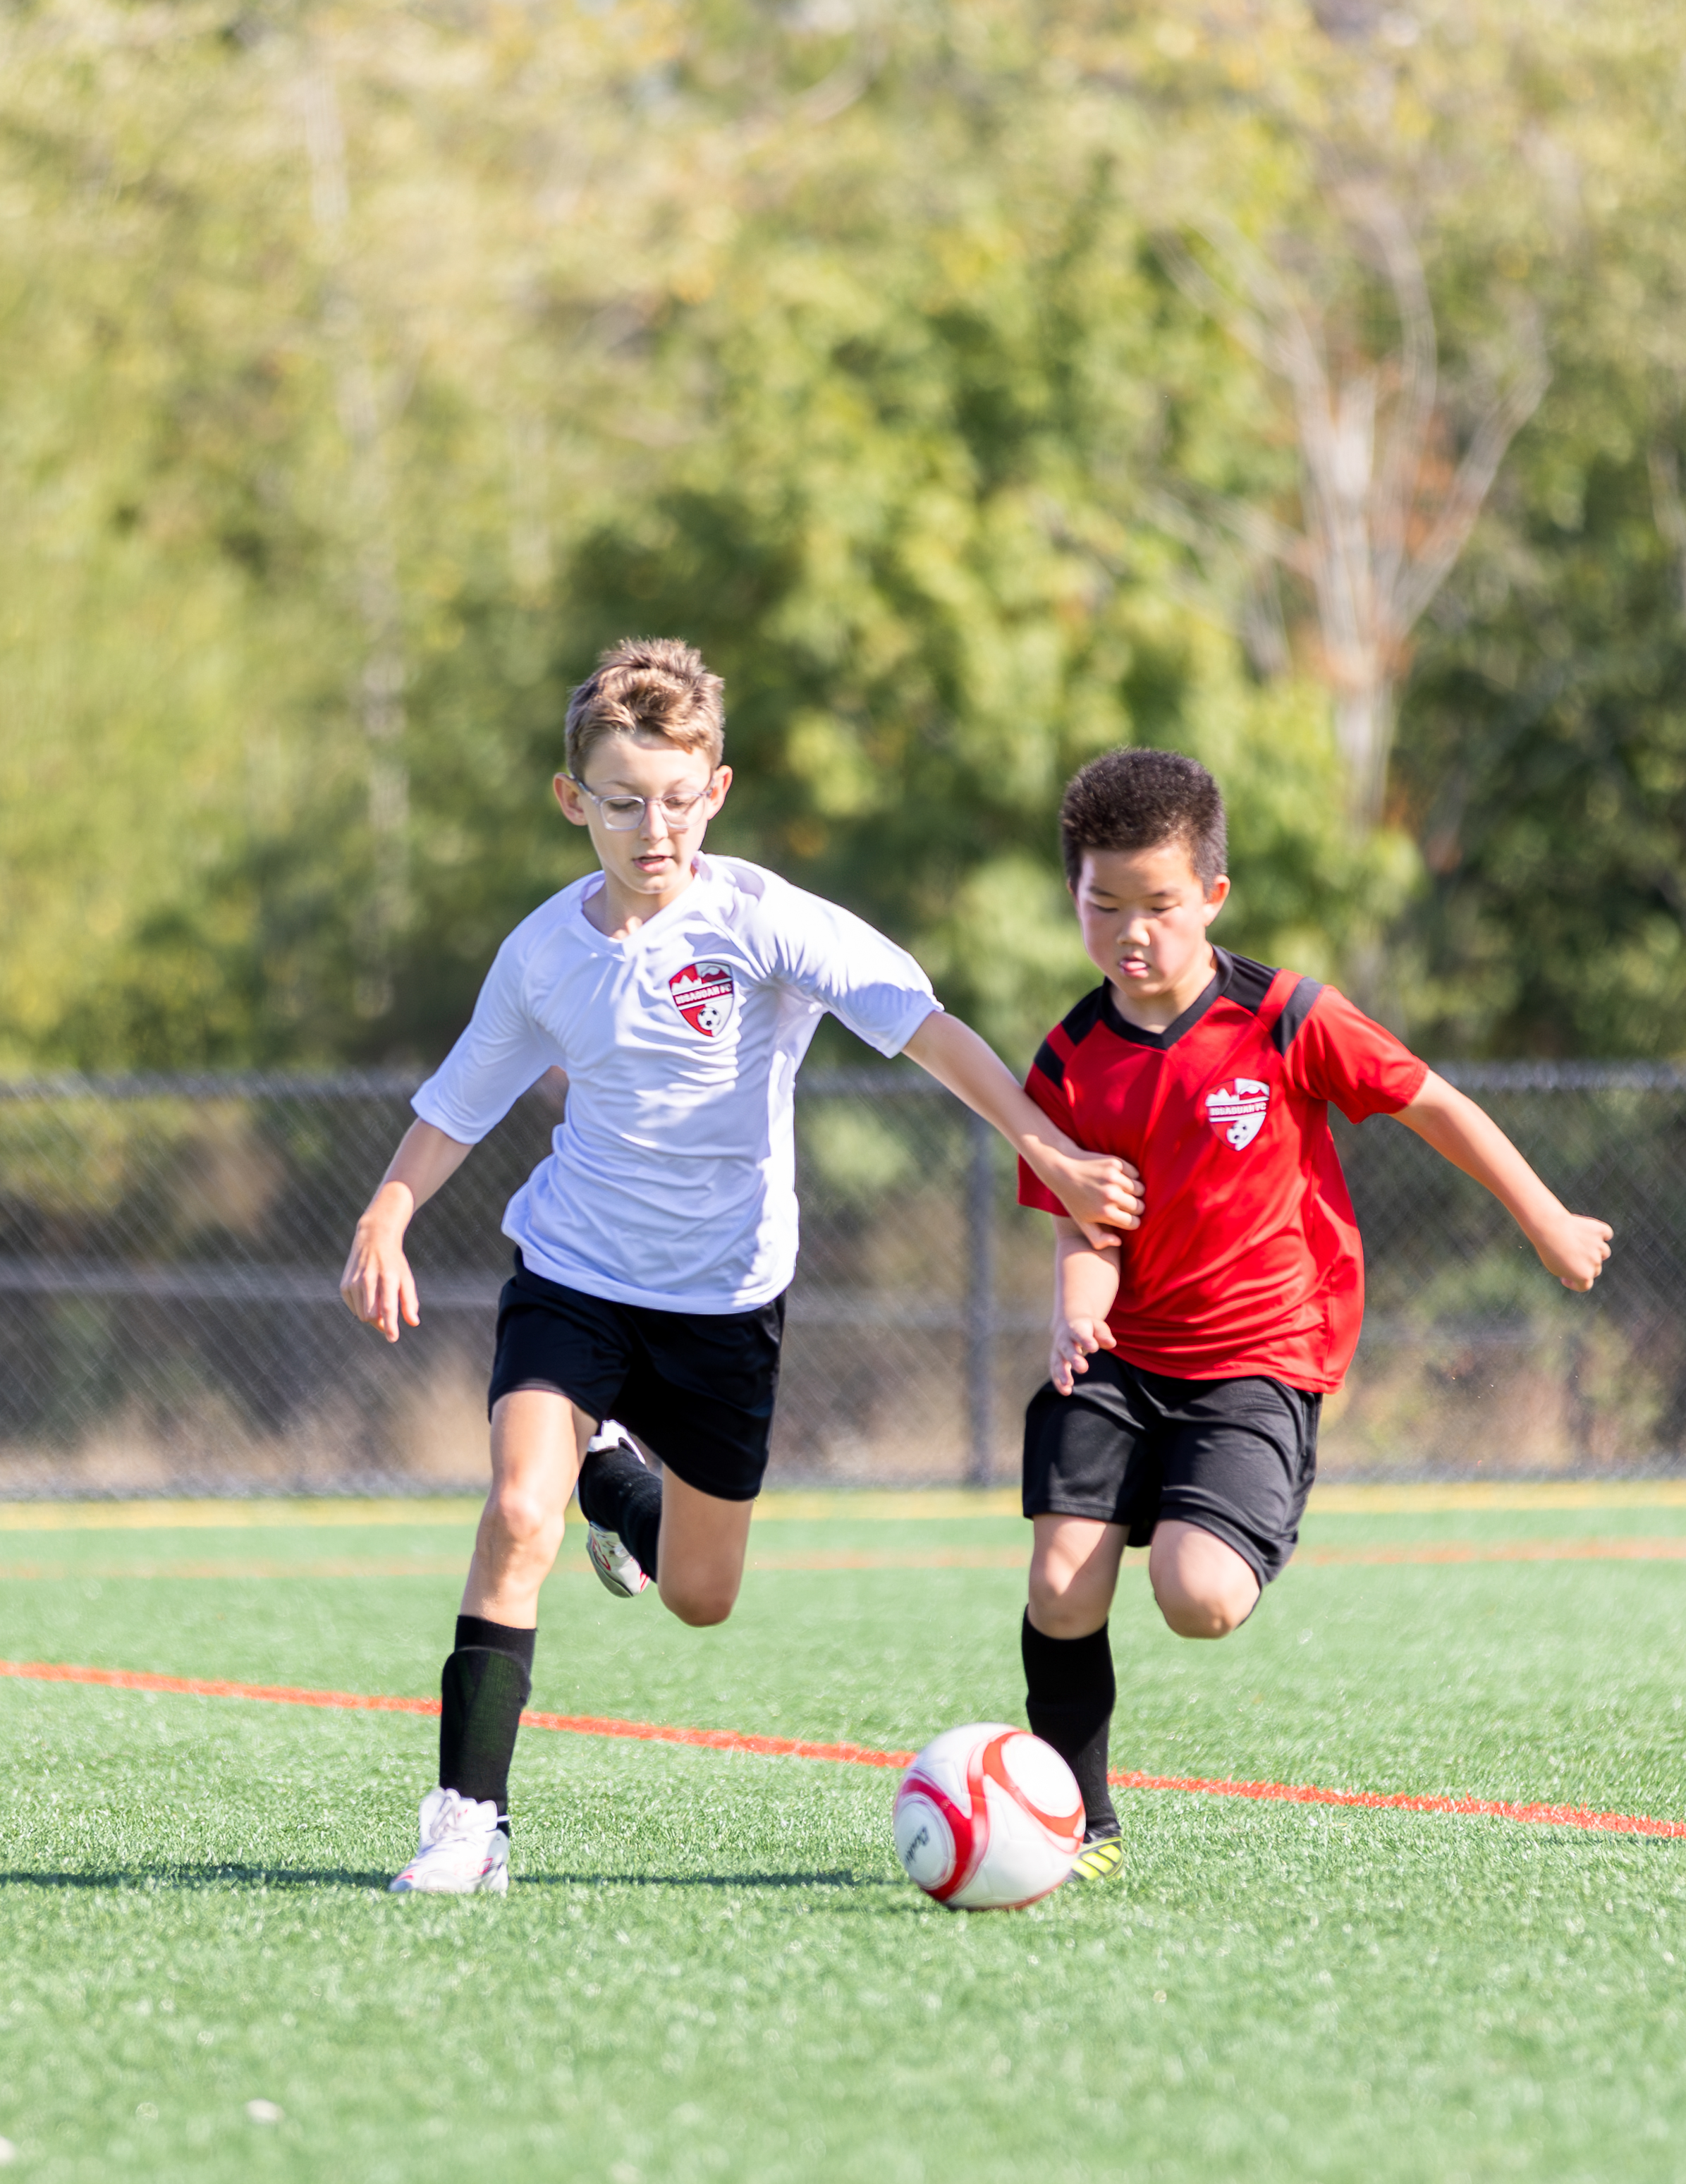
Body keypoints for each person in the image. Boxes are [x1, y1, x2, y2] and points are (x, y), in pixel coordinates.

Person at [340, 637, 1144, 1893]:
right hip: (575, 1276)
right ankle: (466, 1824)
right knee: (514, 1514)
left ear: (714, 789)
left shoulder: (767, 921)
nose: (650, 828)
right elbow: (459, 1101)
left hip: (726, 1305)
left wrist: (1055, 1149)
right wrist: (387, 1211)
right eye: (621, 801)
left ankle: (616, 1478)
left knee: (701, 1597)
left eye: (675, 798)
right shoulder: (542, 952)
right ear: (574, 802)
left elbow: (928, 1032)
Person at [1015, 746, 1613, 1884]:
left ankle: (1242, 1498)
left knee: (1198, 1597)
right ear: (1074, 896)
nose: (1133, 931)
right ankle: (1079, 1823)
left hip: (1259, 1354)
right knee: (1060, 1580)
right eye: (1106, 905)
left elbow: (1432, 1100)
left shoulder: (1287, 1017)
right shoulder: (1070, 1058)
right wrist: (1074, 1317)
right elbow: (1084, 1226)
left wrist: (1544, 1217)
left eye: (1161, 905)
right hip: (1121, 1356)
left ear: (1214, 898)